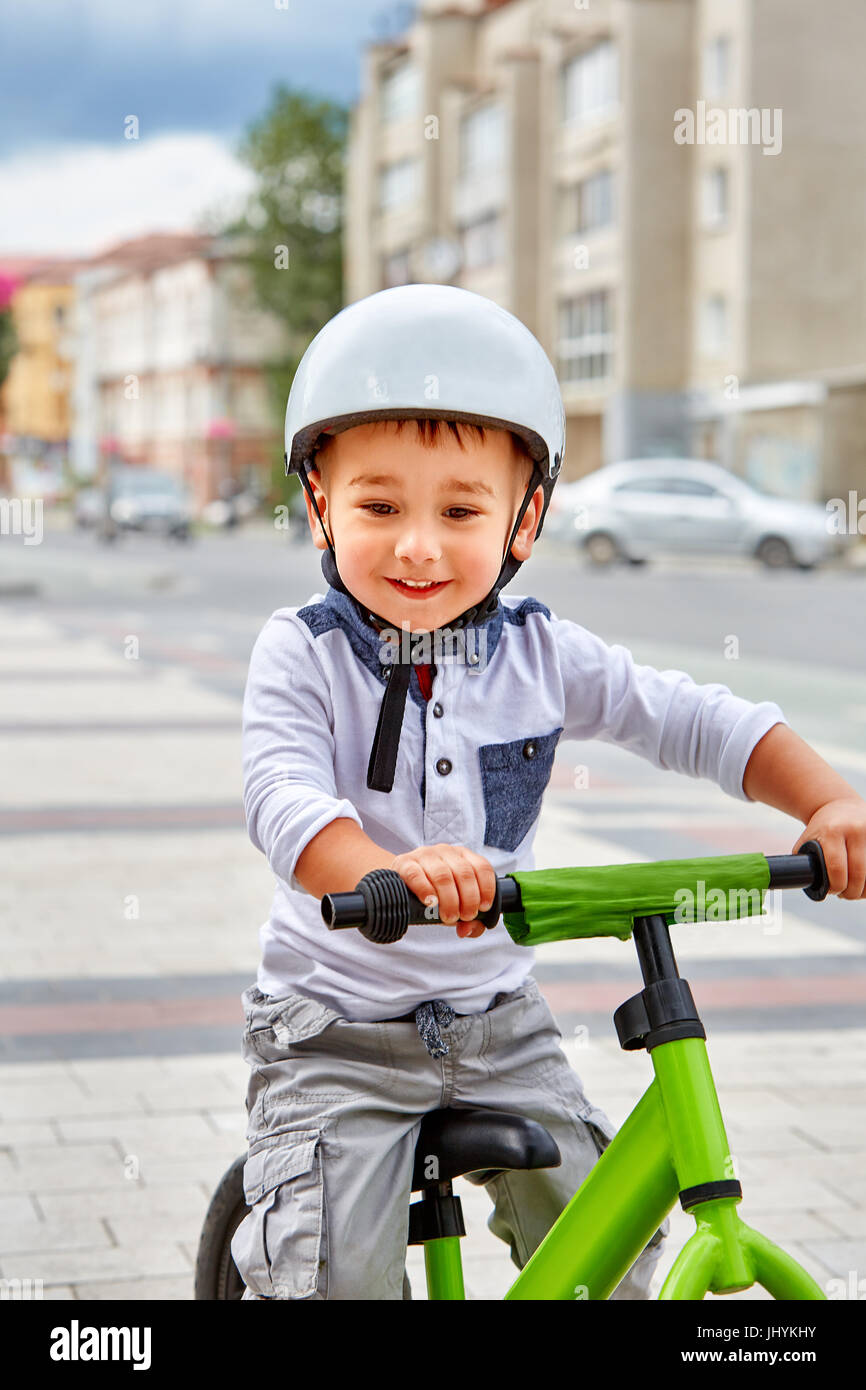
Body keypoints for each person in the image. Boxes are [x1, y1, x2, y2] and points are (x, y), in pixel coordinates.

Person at [231, 284, 866, 1301]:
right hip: (335, 1030)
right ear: (319, 502)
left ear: (526, 515)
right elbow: (283, 795)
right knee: (333, 1278)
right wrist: (384, 869)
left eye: (460, 509)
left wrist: (826, 801)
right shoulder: (300, 652)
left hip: (496, 1021)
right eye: (379, 505)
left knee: (609, 1246)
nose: (419, 545)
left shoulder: (538, 651)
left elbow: (689, 716)